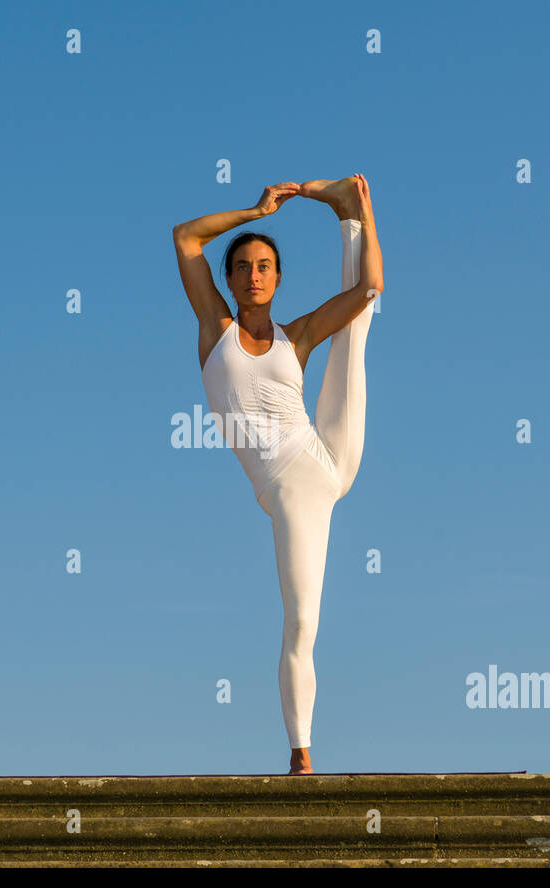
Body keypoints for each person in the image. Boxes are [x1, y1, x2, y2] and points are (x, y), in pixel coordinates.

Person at [172, 174, 382, 774]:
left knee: (361, 318)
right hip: (291, 487)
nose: (255, 274)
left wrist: (366, 211)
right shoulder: (217, 331)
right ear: (232, 278)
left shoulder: (298, 338)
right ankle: (301, 754)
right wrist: (255, 211)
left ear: (279, 277)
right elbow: (186, 239)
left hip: (324, 461)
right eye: (244, 266)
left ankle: (348, 211)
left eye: (266, 266)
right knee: (303, 618)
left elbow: (369, 286)